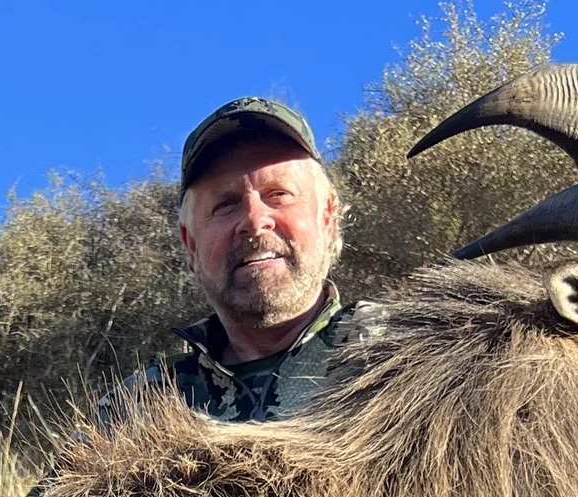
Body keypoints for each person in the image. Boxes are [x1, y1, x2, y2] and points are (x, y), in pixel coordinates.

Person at [111, 97, 383, 425]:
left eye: (278, 194)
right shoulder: (135, 410)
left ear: (328, 219)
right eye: (226, 204)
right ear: (191, 245)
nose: (254, 221)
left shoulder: (404, 352)